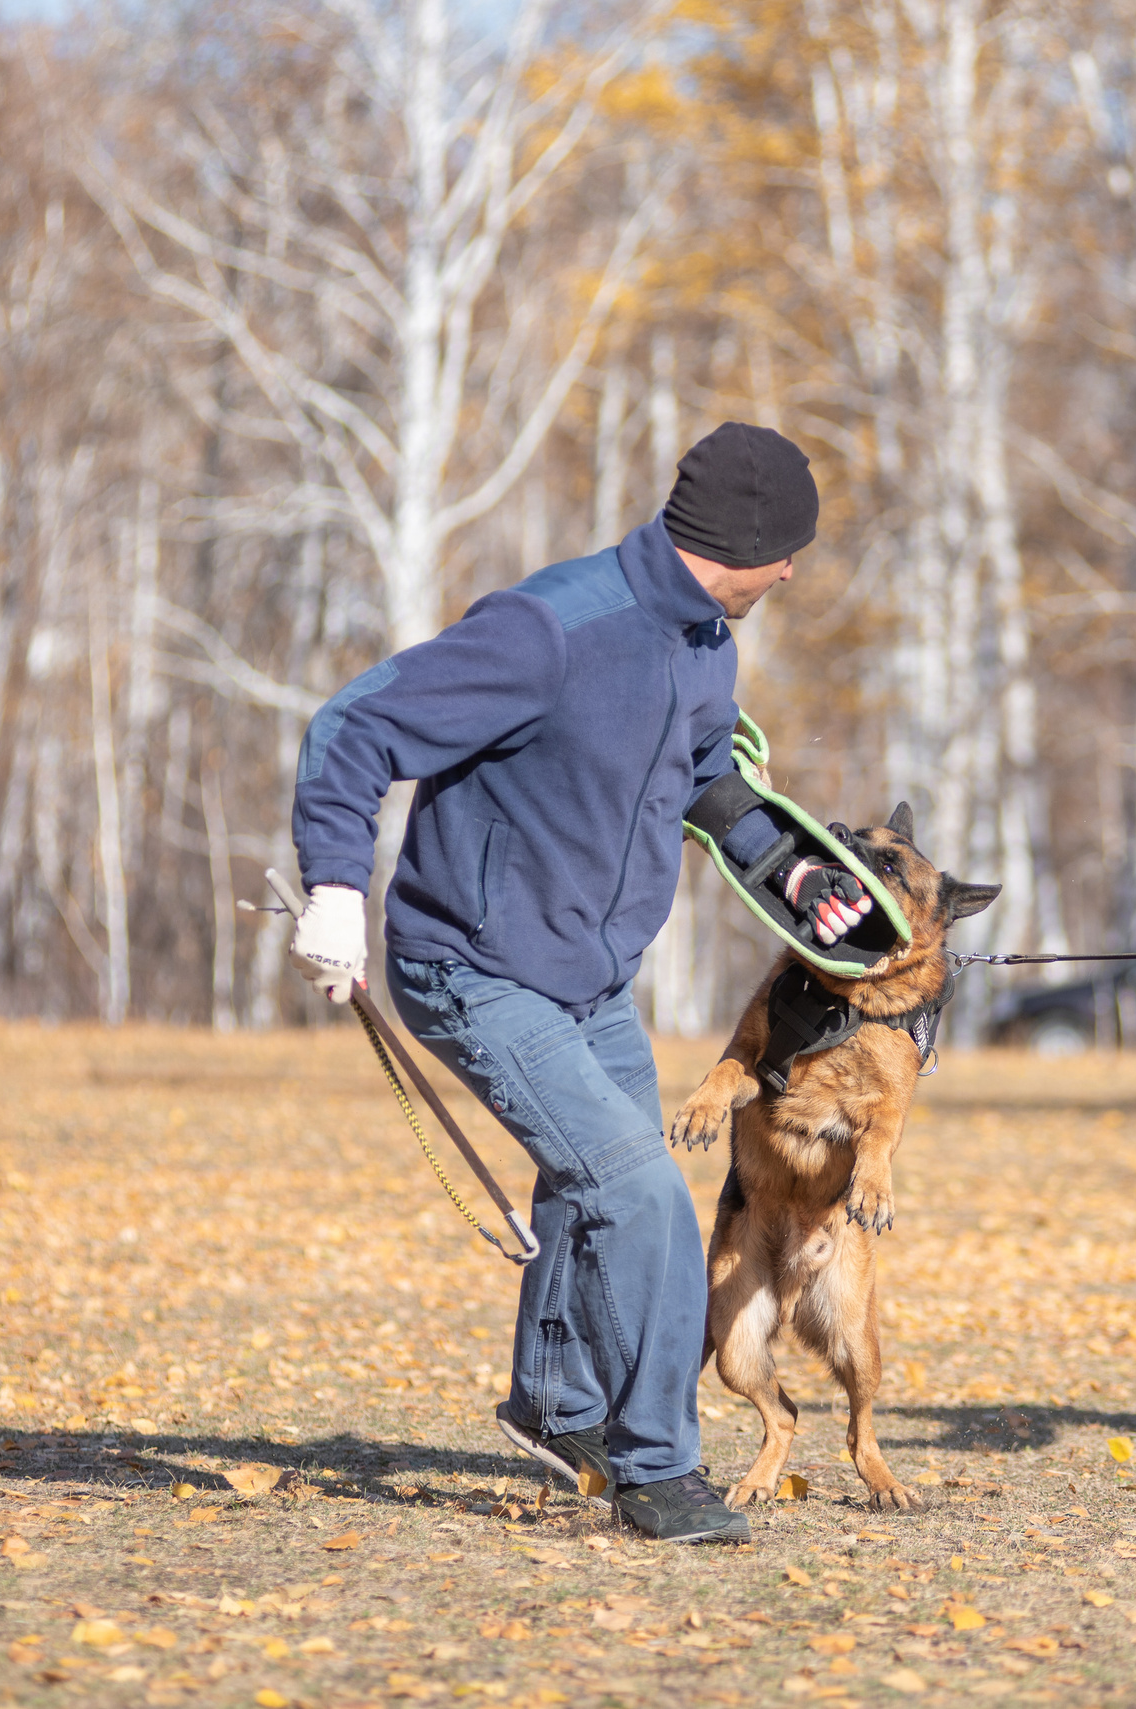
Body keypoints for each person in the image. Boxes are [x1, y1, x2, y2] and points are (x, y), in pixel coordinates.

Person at [283, 423, 873, 1543]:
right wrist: (332, 889)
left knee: (590, 1176)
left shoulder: (706, 639)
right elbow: (353, 725)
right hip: (471, 964)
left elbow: (706, 778)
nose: (792, 569)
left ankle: (555, 1406)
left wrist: (791, 866)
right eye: (785, 549)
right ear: (738, 543)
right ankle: (657, 1469)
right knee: (638, 1189)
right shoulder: (550, 629)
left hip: (590, 981)